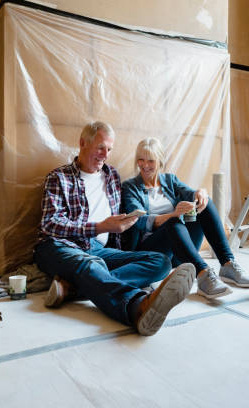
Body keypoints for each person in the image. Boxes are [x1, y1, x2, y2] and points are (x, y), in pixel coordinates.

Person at [33, 122, 195, 336]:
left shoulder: (111, 176)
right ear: (83, 143)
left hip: (98, 248)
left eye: (109, 149)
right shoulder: (59, 178)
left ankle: (73, 290)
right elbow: (50, 223)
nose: (105, 155)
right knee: (91, 264)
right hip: (57, 245)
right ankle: (137, 307)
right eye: (101, 147)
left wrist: (125, 223)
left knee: (160, 261)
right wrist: (99, 227)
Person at [121, 137, 249, 299]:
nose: (145, 165)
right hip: (153, 250)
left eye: (151, 161)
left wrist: (201, 193)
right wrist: (173, 215)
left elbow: (191, 193)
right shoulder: (130, 187)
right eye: (141, 160)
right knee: (173, 222)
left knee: (205, 204)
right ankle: (204, 275)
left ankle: (227, 263)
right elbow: (141, 221)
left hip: (180, 251)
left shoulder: (170, 180)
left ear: (160, 162)